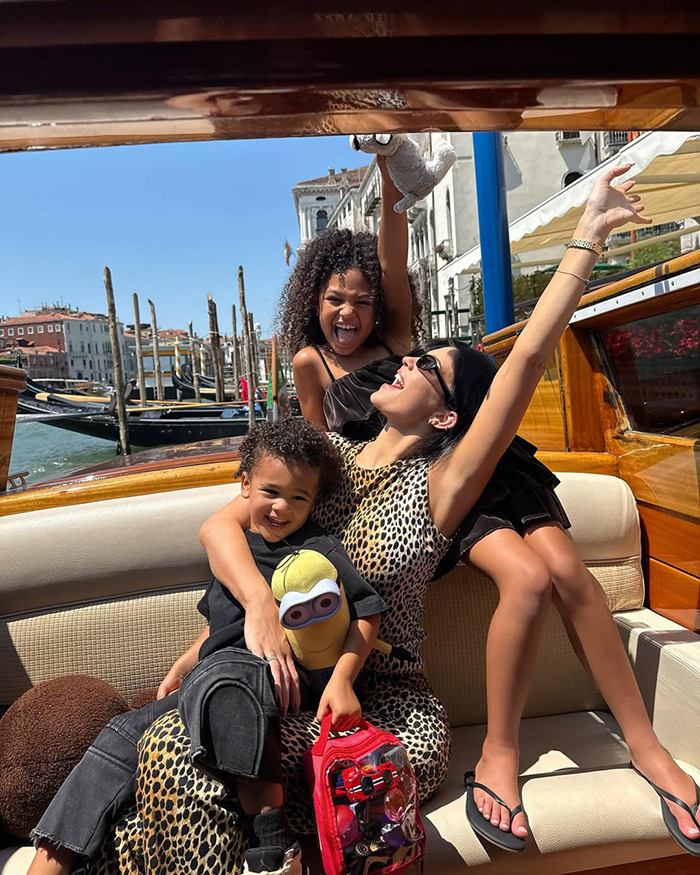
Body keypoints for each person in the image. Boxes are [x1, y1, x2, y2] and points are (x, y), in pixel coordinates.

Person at [90, 165, 698, 870]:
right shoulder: (324, 463)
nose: (403, 364)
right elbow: (237, 533)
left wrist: (587, 234)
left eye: (425, 368)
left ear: (444, 415)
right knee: (178, 749)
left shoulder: (442, 485)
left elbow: (527, 358)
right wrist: (222, 635)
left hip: (388, 706)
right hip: (294, 691)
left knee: (193, 756)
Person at [28, 419, 387, 875]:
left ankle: (273, 845)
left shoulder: (317, 551)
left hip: (277, 679)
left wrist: (341, 680)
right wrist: (184, 662)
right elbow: (220, 626)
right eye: (270, 492)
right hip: (215, 675)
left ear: (315, 502)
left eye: (299, 498)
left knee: (233, 675)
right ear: (244, 485)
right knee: (119, 734)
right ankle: (51, 863)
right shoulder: (235, 552)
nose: (282, 508)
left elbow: (366, 611)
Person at [281, 157, 420, 431]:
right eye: (335, 299)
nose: (347, 311)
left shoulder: (394, 342)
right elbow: (321, 446)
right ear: (314, 303)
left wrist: (389, 174)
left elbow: (392, 268)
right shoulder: (309, 362)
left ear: (378, 307)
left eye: (363, 302)